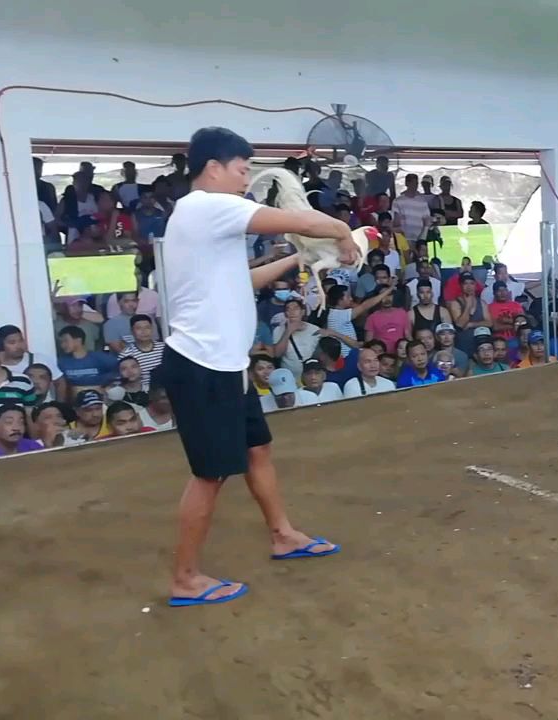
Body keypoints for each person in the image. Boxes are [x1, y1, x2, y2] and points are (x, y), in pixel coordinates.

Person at [158, 127, 352, 607]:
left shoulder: (204, 219)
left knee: (257, 450)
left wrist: (295, 258)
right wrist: (343, 232)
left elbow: (241, 280)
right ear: (213, 168)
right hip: (202, 365)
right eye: (242, 170)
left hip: (225, 364)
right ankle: (185, 578)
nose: (247, 180)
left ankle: (282, 534)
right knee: (210, 474)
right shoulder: (207, 206)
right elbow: (302, 220)